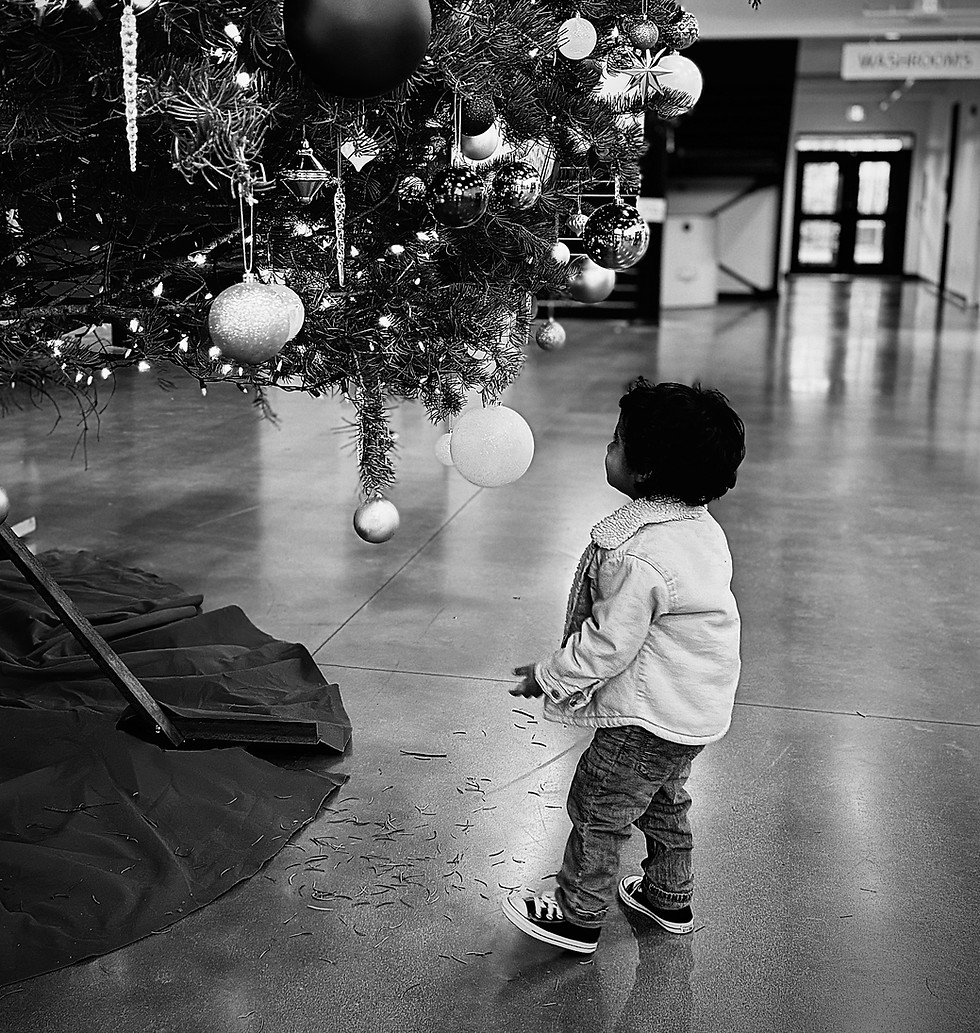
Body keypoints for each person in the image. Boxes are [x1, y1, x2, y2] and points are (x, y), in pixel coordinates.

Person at [502, 378, 746, 955]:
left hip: (647, 713)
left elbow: (609, 643)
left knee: (599, 804)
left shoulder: (637, 554)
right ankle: (669, 894)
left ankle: (577, 913)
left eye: (616, 442)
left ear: (646, 472)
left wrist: (550, 675)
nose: (607, 449)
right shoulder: (699, 527)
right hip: (693, 708)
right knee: (663, 798)